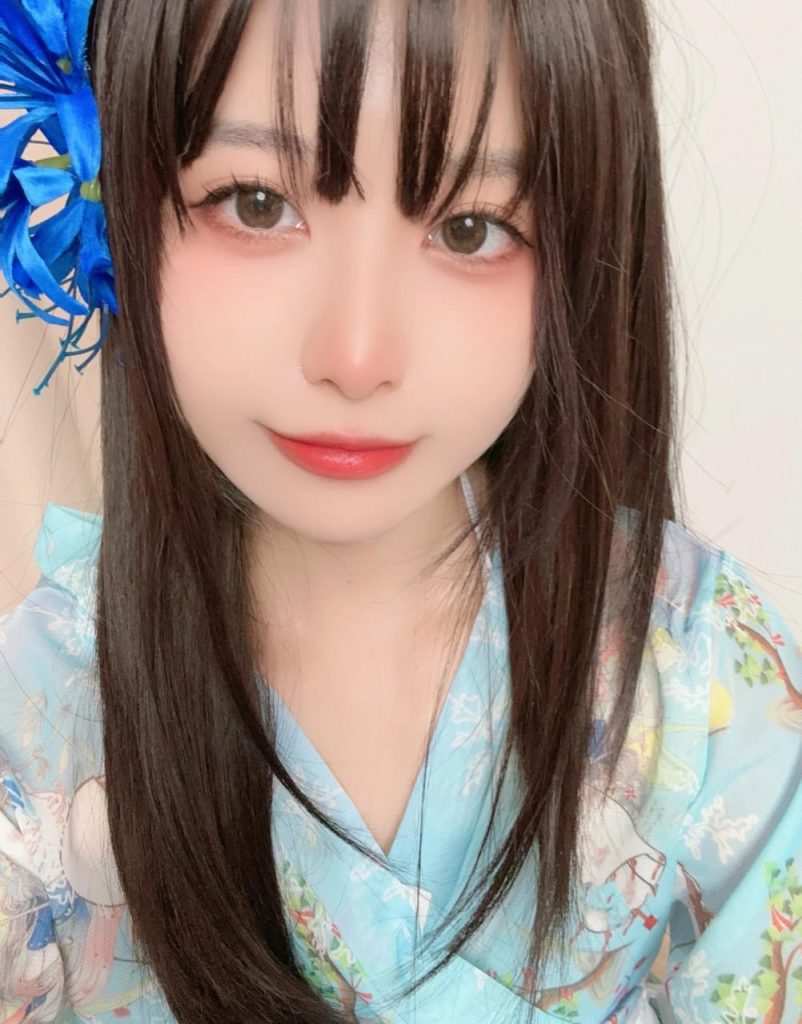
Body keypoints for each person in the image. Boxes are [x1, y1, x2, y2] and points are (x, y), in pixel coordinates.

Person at [1, 1, 800, 1022]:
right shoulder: (35, 724)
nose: (356, 355)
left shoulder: (701, 678)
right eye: (255, 203)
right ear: (116, 205)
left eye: (469, 228)